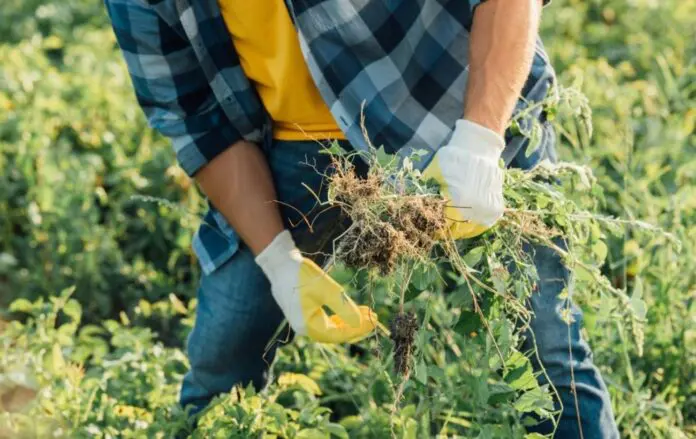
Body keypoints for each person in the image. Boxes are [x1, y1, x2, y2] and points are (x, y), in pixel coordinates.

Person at [105, 0, 619, 437]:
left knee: (548, 348)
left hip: (457, 97)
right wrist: (279, 262)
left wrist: (481, 141)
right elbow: (197, 120)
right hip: (292, 145)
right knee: (226, 348)